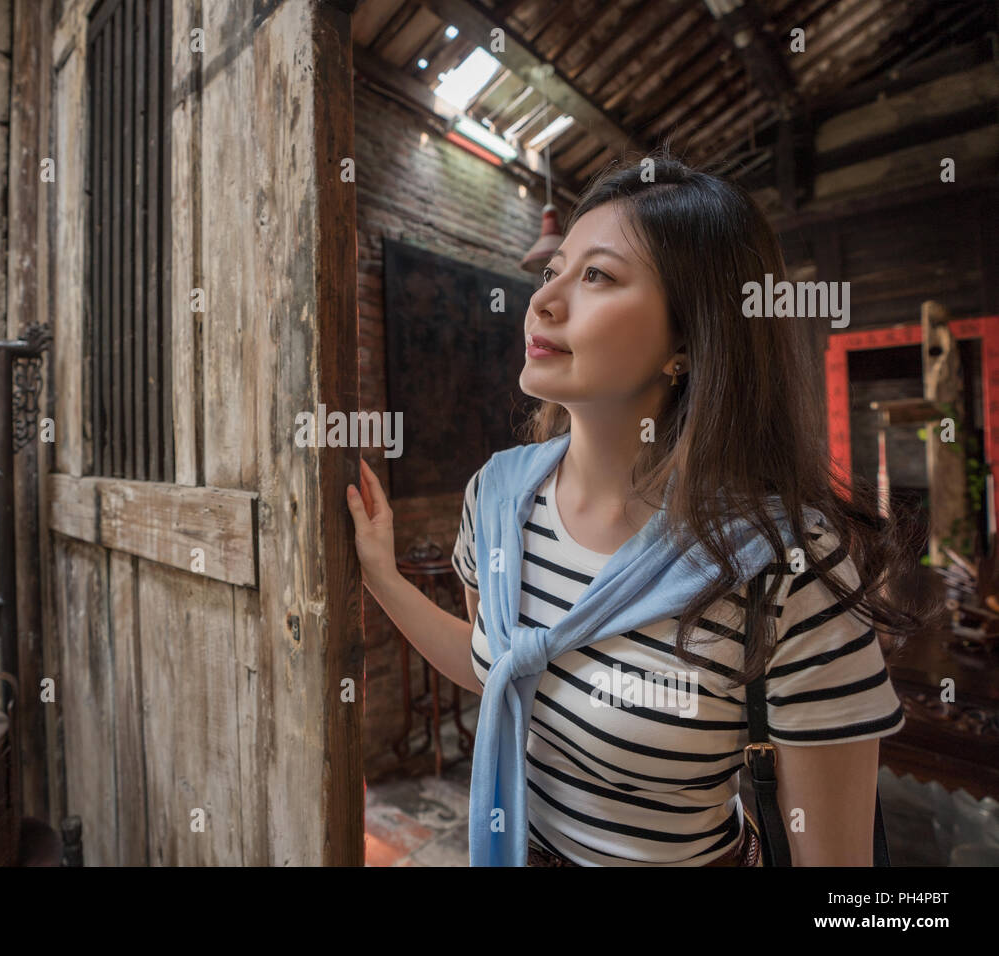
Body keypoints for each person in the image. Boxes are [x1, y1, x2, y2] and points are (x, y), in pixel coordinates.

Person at [346, 154, 945, 867]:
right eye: (553, 271)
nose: (543, 301)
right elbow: (497, 669)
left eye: (597, 275)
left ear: (688, 343)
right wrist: (382, 576)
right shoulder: (498, 498)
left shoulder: (785, 564)